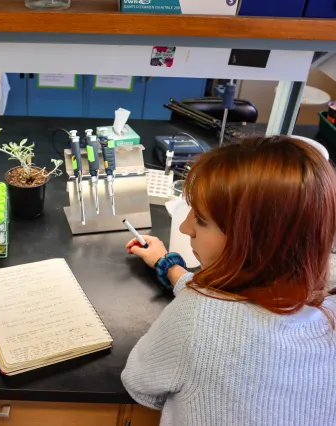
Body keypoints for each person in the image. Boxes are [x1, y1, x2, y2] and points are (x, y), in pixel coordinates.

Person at [122, 135, 336, 426]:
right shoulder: (327, 311)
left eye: (199, 219)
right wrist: (167, 265)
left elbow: (139, 383)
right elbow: (236, 314)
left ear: (255, 240)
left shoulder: (194, 316)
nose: (185, 228)